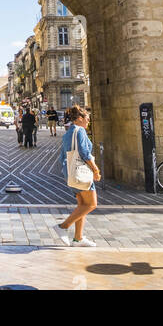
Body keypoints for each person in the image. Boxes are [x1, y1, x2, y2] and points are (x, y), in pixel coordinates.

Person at [56, 105, 100, 247]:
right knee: (91, 204)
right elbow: (84, 153)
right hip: (81, 173)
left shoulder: (68, 133)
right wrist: (95, 170)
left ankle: (78, 238)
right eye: (87, 118)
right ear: (80, 118)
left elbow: (62, 156)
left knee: (82, 205)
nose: (88, 121)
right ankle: (63, 226)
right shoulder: (80, 130)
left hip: (70, 173)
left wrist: (67, 171)